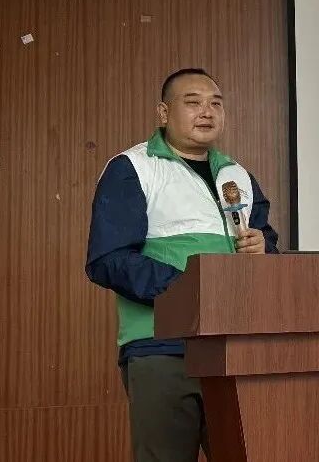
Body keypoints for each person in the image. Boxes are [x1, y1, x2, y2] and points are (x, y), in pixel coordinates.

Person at [85, 68, 278, 462]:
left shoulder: (238, 174)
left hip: (236, 346)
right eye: (193, 102)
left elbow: (267, 248)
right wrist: (193, 293)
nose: (207, 111)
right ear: (163, 112)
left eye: (216, 104)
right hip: (163, 348)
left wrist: (265, 250)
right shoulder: (132, 168)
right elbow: (109, 260)